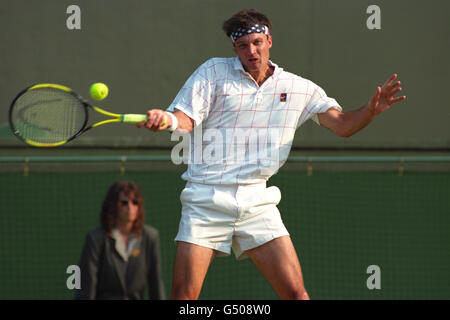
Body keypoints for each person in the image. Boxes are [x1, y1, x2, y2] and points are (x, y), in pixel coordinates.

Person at [136, 9, 406, 300]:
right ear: (234, 48)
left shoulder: (298, 88)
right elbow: (185, 119)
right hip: (206, 199)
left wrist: (370, 111)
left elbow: (343, 126)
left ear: (269, 41)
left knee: (296, 295)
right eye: (243, 45)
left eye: (257, 42)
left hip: (258, 201)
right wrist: (167, 120)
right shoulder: (212, 72)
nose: (251, 51)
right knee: (184, 298)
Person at [75, 181, 165, 300]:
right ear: (113, 205)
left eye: (135, 202)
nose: (130, 207)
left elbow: (156, 282)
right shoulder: (95, 239)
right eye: (124, 202)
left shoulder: (150, 237)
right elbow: (87, 287)